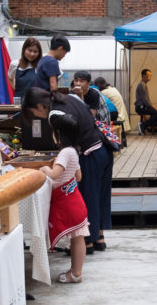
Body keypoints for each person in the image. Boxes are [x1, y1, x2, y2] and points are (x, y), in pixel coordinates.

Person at [24, 87, 112, 252]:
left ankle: (86, 242)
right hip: (103, 149)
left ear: (40, 106)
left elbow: (72, 126)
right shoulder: (68, 97)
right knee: (100, 196)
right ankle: (99, 237)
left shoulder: (55, 115)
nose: (36, 116)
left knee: (88, 196)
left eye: (33, 112)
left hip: (89, 152)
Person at [40, 111, 89, 283]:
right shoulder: (74, 152)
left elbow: (54, 174)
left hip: (67, 203)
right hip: (75, 200)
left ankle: (75, 273)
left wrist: (45, 169)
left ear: (58, 134)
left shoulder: (64, 153)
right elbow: (79, 176)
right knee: (78, 238)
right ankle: (76, 272)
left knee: (77, 238)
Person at [7, 37, 42, 101]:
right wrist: (16, 88)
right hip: (19, 103)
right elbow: (10, 78)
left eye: (35, 51)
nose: (32, 54)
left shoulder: (41, 65)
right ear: (24, 50)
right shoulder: (15, 64)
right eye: (30, 50)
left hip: (36, 103)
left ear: (39, 53)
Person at [134, 68, 157, 135]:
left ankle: (144, 126)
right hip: (140, 107)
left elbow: (147, 100)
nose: (150, 76)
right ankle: (143, 125)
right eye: (149, 75)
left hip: (144, 106)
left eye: (151, 75)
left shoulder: (143, 84)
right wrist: (155, 108)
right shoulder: (142, 85)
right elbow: (146, 100)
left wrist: (154, 108)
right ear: (144, 75)